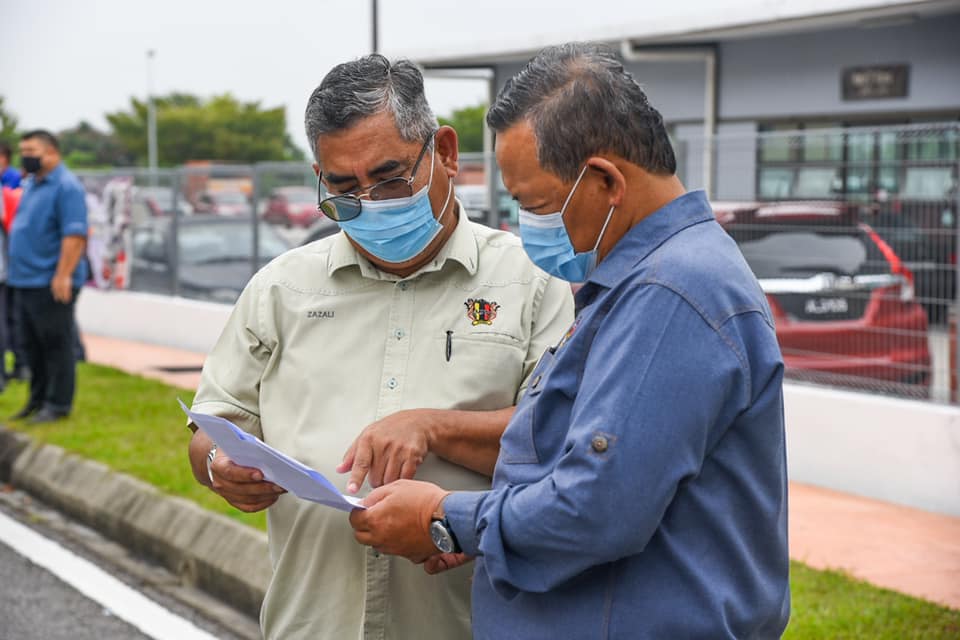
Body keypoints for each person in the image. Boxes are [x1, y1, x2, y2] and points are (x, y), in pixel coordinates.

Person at [349, 43, 791, 639]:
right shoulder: (632, 283)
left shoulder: (672, 293)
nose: (526, 227)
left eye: (536, 206)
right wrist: (498, 530)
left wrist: (444, 519)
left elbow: (599, 507)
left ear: (605, 181)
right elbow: (564, 452)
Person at [187, 54, 574, 640]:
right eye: (343, 190)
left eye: (391, 179)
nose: (371, 204)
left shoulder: (533, 284)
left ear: (444, 151)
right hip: (311, 623)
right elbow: (213, 424)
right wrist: (219, 468)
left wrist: (434, 428)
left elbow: (563, 452)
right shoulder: (282, 288)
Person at [8, 130, 88, 423]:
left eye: (30, 150)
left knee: (56, 344)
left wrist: (63, 275)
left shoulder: (66, 187)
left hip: (50, 281)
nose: (24, 156)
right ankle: (37, 399)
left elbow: (75, 234)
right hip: (25, 279)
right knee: (31, 345)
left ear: (51, 152)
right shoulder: (33, 184)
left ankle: (58, 404)